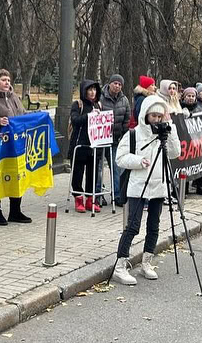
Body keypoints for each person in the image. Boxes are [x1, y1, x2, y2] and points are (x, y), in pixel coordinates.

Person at [111, 94, 180, 285]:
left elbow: (176, 153)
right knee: (133, 225)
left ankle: (146, 262)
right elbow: (120, 158)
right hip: (138, 185)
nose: (156, 120)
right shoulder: (133, 134)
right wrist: (138, 161)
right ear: (145, 115)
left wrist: (170, 128)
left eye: (160, 116)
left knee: (154, 225)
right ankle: (120, 264)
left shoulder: (164, 133)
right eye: (153, 116)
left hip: (159, 184)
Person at [0, 69, 31, 223]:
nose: (7, 83)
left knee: (16, 174)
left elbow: (22, 113)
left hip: (16, 144)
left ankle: (15, 210)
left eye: (8, 80)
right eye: (3, 80)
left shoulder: (14, 97)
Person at [69, 80, 103, 213]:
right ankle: (78, 198)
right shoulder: (78, 104)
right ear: (84, 91)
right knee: (77, 173)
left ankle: (90, 199)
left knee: (92, 174)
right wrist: (89, 116)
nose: (92, 92)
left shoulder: (98, 105)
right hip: (79, 145)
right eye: (90, 90)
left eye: (94, 90)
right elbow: (75, 120)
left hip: (94, 146)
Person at [100, 74, 130, 205]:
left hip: (116, 139)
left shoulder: (124, 100)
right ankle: (98, 194)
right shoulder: (100, 97)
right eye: (115, 83)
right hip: (101, 139)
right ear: (110, 84)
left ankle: (117, 195)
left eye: (119, 84)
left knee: (116, 168)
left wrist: (123, 136)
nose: (117, 86)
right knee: (99, 168)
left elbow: (126, 119)